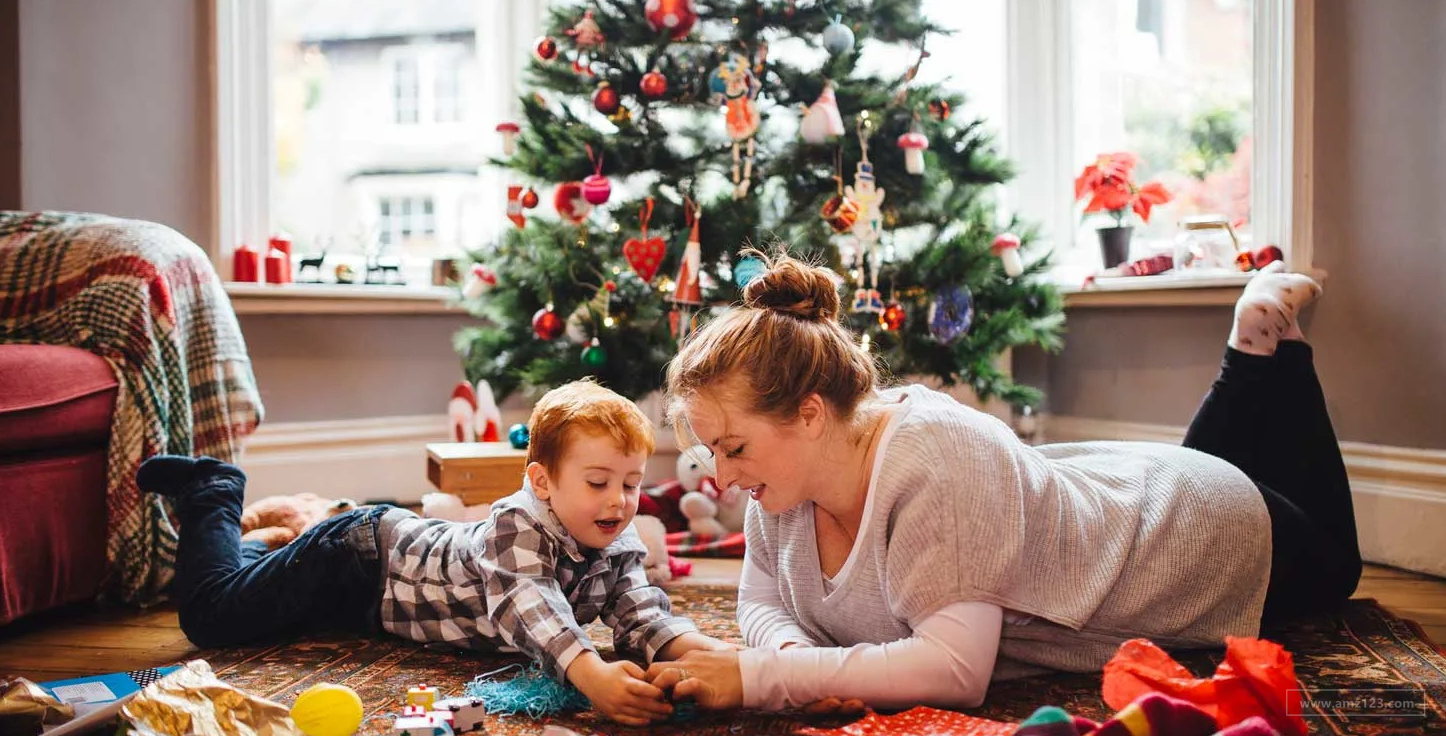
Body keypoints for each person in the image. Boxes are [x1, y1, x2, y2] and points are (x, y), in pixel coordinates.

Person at [643, 250, 1361, 713]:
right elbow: (761, 598)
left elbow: (954, 672)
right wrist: (798, 660)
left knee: (1338, 566)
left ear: (808, 414)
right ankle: (1248, 357)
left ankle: (1270, 353)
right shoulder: (781, 481)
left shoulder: (938, 459)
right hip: (1117, 483)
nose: (722, 476)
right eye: (713, 452)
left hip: (1196, 534)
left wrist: (760, 679)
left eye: (732, 448)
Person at [138, 379, 734, 725]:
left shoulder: (616, 536)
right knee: (212, 615)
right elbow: (536, 610)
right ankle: (214, 490)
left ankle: (260, 549)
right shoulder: (517, 525)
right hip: (356, 561)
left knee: (276, 608)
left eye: (631, 483)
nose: (619, 501)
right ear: (543, 482)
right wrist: (593, 676)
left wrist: (719, 657)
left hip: (374, 609)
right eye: (598, 482)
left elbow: (643, 617)